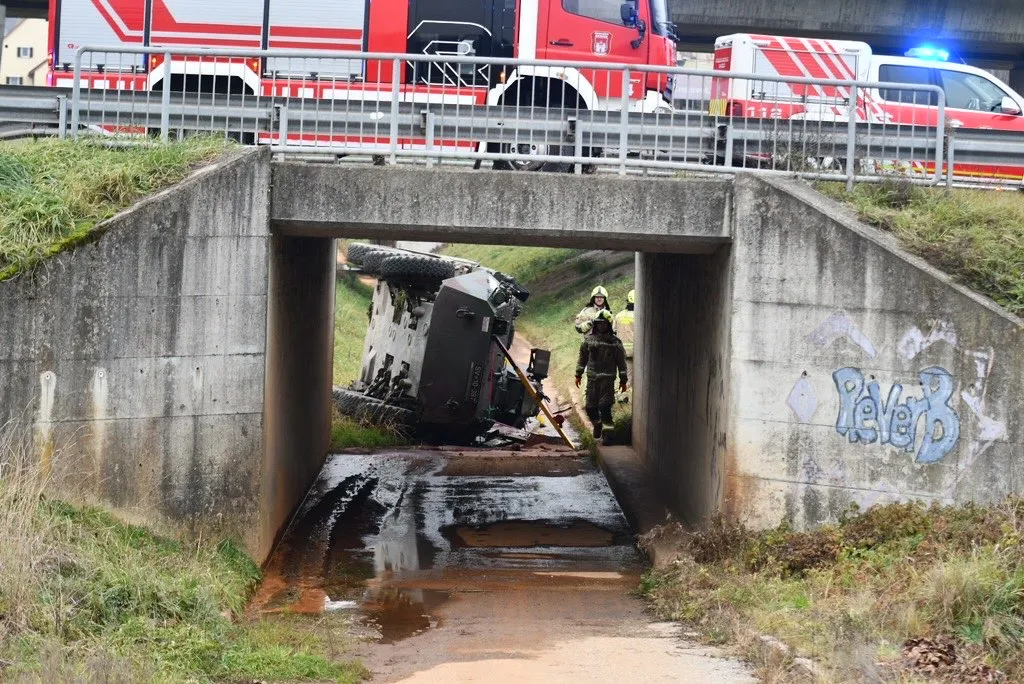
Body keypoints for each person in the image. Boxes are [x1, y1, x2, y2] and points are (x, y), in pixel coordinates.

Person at [575, 310, 628, 438]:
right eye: (599, 324)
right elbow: (582, 359)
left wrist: (623, 380)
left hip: (608, 381)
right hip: (592, 381)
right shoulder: (589, 341)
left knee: (605, 407)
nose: (601, 326)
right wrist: (578, 374)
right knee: (590, 407)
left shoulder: (615, 343)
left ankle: (608, 435)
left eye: (604, 324)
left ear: (609, 325)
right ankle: (597, 424)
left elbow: (621, 363)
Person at [613, 289, 635, 401]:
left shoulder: (619, 316)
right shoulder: (639, 316)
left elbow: (614, 331)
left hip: (622, 351)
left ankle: (621, 396)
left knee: (624, 374)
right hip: (636, 352)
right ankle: (629, 397)